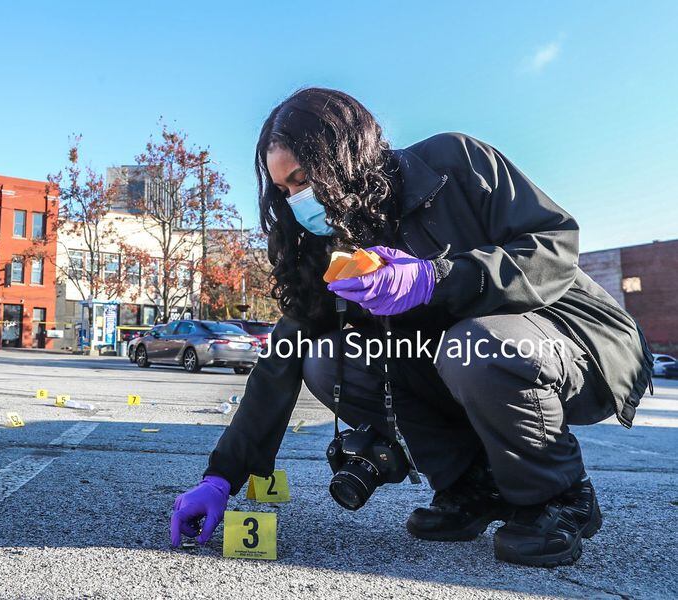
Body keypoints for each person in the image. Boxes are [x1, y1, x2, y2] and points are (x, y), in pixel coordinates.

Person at [169, 88, 654, 567]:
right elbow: (284, 353)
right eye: (285, 191)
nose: (298, 200)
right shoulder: (335, 243)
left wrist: (435, 278)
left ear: (345, 156)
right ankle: (471, 485)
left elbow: (555, 247)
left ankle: (560, 496)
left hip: (575, 343)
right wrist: (220, 477)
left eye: (303, 180)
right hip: (469, 367)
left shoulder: (454, 163)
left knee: (476, 345)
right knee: (328, 358)